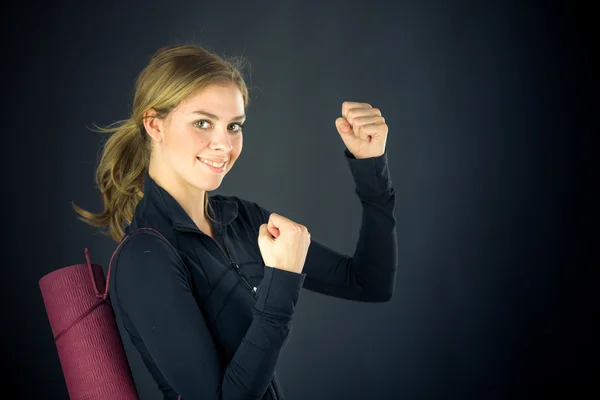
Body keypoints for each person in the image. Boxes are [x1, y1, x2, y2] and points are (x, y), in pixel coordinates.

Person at [72, 44, 398, 400]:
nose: (223, 144)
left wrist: (371, 166)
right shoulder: (145, 255)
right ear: (155, 125)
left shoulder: (242, 220)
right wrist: (282, 281)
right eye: (202, 123)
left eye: (234, 126)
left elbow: (369, 283)